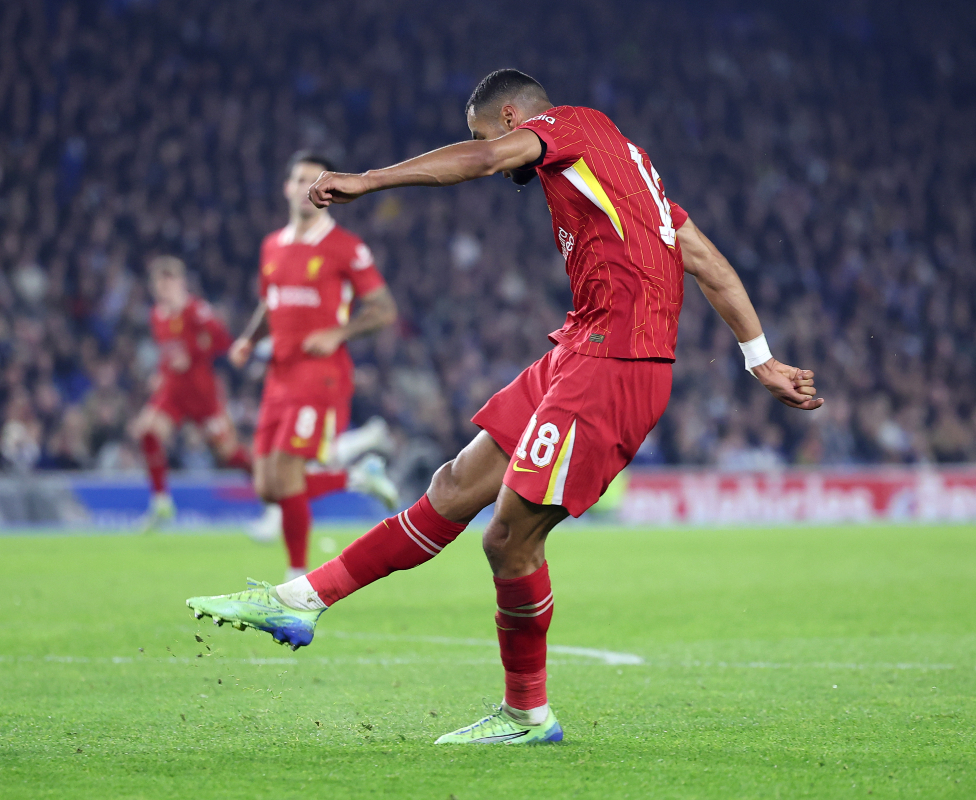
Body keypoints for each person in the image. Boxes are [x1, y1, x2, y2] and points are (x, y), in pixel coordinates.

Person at [188, 70, 822, 743]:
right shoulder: (625, 170)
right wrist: (760, 358)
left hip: (616, 364)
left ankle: (527, 714)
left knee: (508, 537)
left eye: (483, 131)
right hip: (579, 348)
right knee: (454, 485)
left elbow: (488, 158)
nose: (490, 153)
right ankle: (298, 601)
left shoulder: (568, 128)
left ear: (516, 119)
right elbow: (707, 261)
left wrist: (369, 180)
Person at [228, 151, 400, 579]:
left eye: (316, 182)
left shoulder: (346, 248)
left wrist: (338, 334)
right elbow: (270, 303)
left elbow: (383, 310)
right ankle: (356, 477)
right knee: (267, 486)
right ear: (287, 188)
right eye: (299, 180)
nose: (306, 189)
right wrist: (249, 340)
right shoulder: (272, 246)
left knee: (287, 470)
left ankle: (296, 578)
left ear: (328, 194)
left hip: (320, 374)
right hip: (279, 375)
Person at [131, 256, 251, 530]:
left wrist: (194, 352)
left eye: (169, 283)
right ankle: (161, 502)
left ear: (181, 283)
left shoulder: (197, 310)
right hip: (173, 392)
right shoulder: (157, 316)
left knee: (228, 454)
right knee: (147, 431)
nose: (165, 289)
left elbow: (221, 341)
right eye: (160, 285)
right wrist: (160, 372)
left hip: (202, 395)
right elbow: (167, 352)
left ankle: (271, 496)